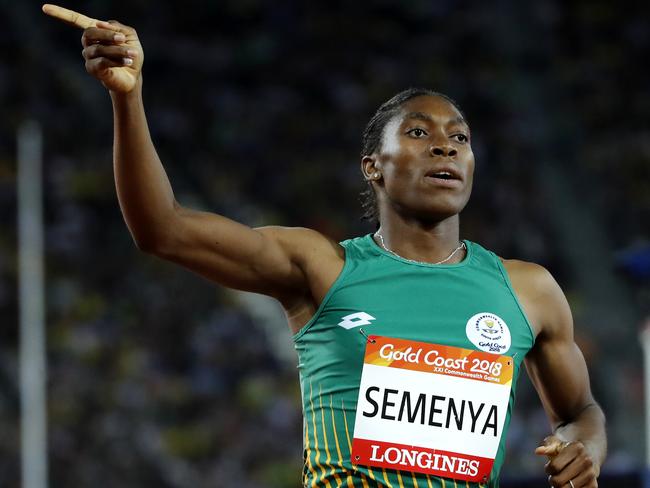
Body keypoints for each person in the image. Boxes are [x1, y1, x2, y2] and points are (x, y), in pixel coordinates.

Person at [43, 4, 606, 487]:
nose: (445, 147)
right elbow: (162, 229)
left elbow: (580, 411)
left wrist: (585, 448)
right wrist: (129, 97)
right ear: (373, 168)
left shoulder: (528, 289)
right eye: (419, 133)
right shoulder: (320, 266)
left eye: (459, 137)